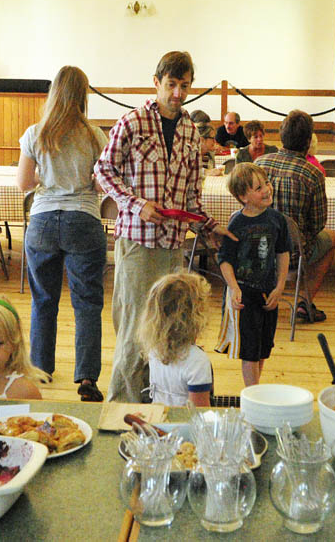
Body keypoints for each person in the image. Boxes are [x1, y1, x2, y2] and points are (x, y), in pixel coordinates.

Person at [94, 50, 236, 402]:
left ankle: (156, 404)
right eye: (171, 84)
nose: (177, 92)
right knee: (133, 332)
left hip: (173, 246)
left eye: (184, 85)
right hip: (137, 243)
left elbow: (191, 195)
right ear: (156, 82)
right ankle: (121, 411)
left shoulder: (190, 131)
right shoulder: (132, 122)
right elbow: (103, 170)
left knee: (165, 332)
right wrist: (137, 204)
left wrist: (208, 227)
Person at [16, 65, 108, 402]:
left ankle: (40, 371)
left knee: (43, 300)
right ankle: (86, 379)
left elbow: (24, 183)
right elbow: (101, 183)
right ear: (83, 95)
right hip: (83, 219)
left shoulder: (35, 133)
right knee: (87, 303)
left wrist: (48, 180)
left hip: (41, 222)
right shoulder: (95, 135)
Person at [255, 110, 335, 322]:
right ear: (308, 141)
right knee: (331, 238)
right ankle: (304, 302)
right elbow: (318, 224)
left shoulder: (259, 165)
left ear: (281, 136)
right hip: (292, 255)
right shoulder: (313, 174)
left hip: (255, 249)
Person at [216, 163, 291, 386]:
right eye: (258, 188)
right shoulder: (237, 222)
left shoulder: (278, 220)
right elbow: (225, 260)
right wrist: (234, 288)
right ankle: (253, 393)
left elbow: (282, 253)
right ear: (243, 196)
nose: (267, 189)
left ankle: (255, 389)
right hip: (245, 294)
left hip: (268, 292)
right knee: (249, 351)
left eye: (266, 183)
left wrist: (279, 287)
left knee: (263, 349)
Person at [137, 272, 213, 407]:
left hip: (157, 420)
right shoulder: (197, 360)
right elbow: (199, 413)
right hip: (184, 425)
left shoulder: (154, 349)